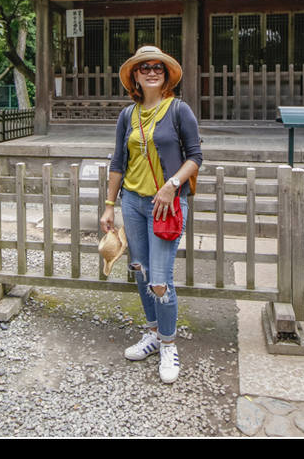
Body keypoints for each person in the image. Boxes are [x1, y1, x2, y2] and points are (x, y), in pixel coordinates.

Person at [100, 45, 202, 384]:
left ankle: (170, 344)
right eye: (144, 67)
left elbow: (196, 156)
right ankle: (154, 335)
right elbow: (118, 162)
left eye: (158, 66)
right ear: (135, 76)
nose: (152, 71)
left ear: (167, 74)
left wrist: (173, 184)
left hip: (167, 204)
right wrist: (110, 205)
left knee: (160, 279)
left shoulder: (178, 110)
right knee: (141, 273)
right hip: (132, 202)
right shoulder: (127, 115)